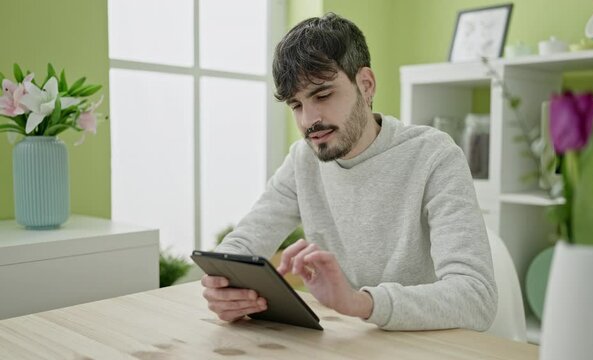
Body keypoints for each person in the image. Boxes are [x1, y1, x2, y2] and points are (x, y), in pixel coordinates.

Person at [201, 12, 497, 331]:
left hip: (430, 346)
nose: (307, 120)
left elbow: (476, 298)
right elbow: (244, 242)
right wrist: (223, 285)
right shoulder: (303, 159)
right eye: (296, 105)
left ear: (366, 85)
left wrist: (361, 303)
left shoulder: (434, 156)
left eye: (323, 95)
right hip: (352, 342)